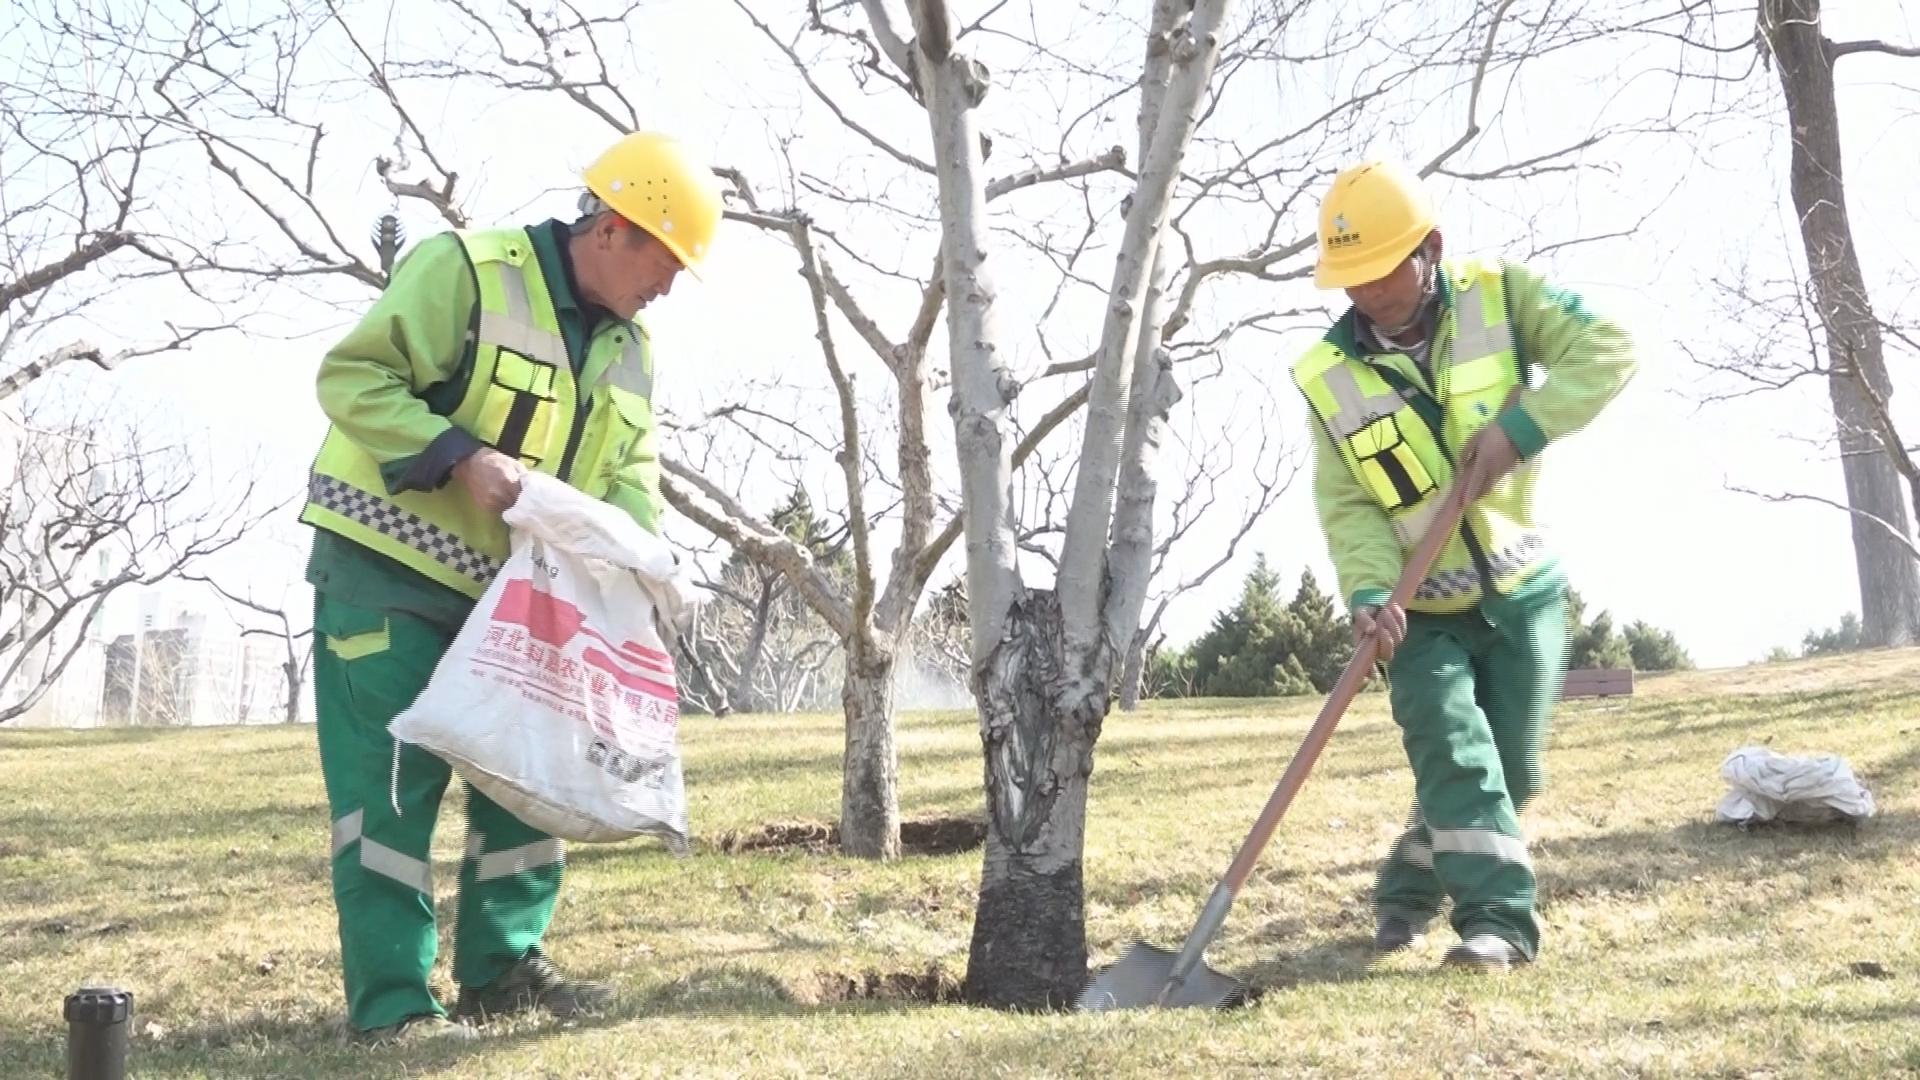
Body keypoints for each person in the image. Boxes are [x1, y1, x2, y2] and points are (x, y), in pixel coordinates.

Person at [300, 131, 724, 1041]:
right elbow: (353, 377)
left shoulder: (632, 349)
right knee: (392, 791)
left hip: (521, 598)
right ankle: (396, 1006)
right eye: (666, 258)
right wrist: (459, 456)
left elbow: (629, 472)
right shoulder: (468, 269)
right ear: (612, 228)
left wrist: (638, 559)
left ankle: (501, 969)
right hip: (387, 576)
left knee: (530, 775)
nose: (670, 283)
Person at [1290, 160, 1636, 973]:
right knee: (1453, 750)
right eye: (1352, 279)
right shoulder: (1329, 378)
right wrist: (1371, 594)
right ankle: (1499, 924)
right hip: (1419, 620)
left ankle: (1415, 872)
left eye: (1382, 271)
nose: (1368, 293)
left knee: (1510, 771)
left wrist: (1527, 427)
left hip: (1525, 596)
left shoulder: (1504, 297)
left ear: (1430, 248)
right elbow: (1353, 508)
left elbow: (1609, 349)